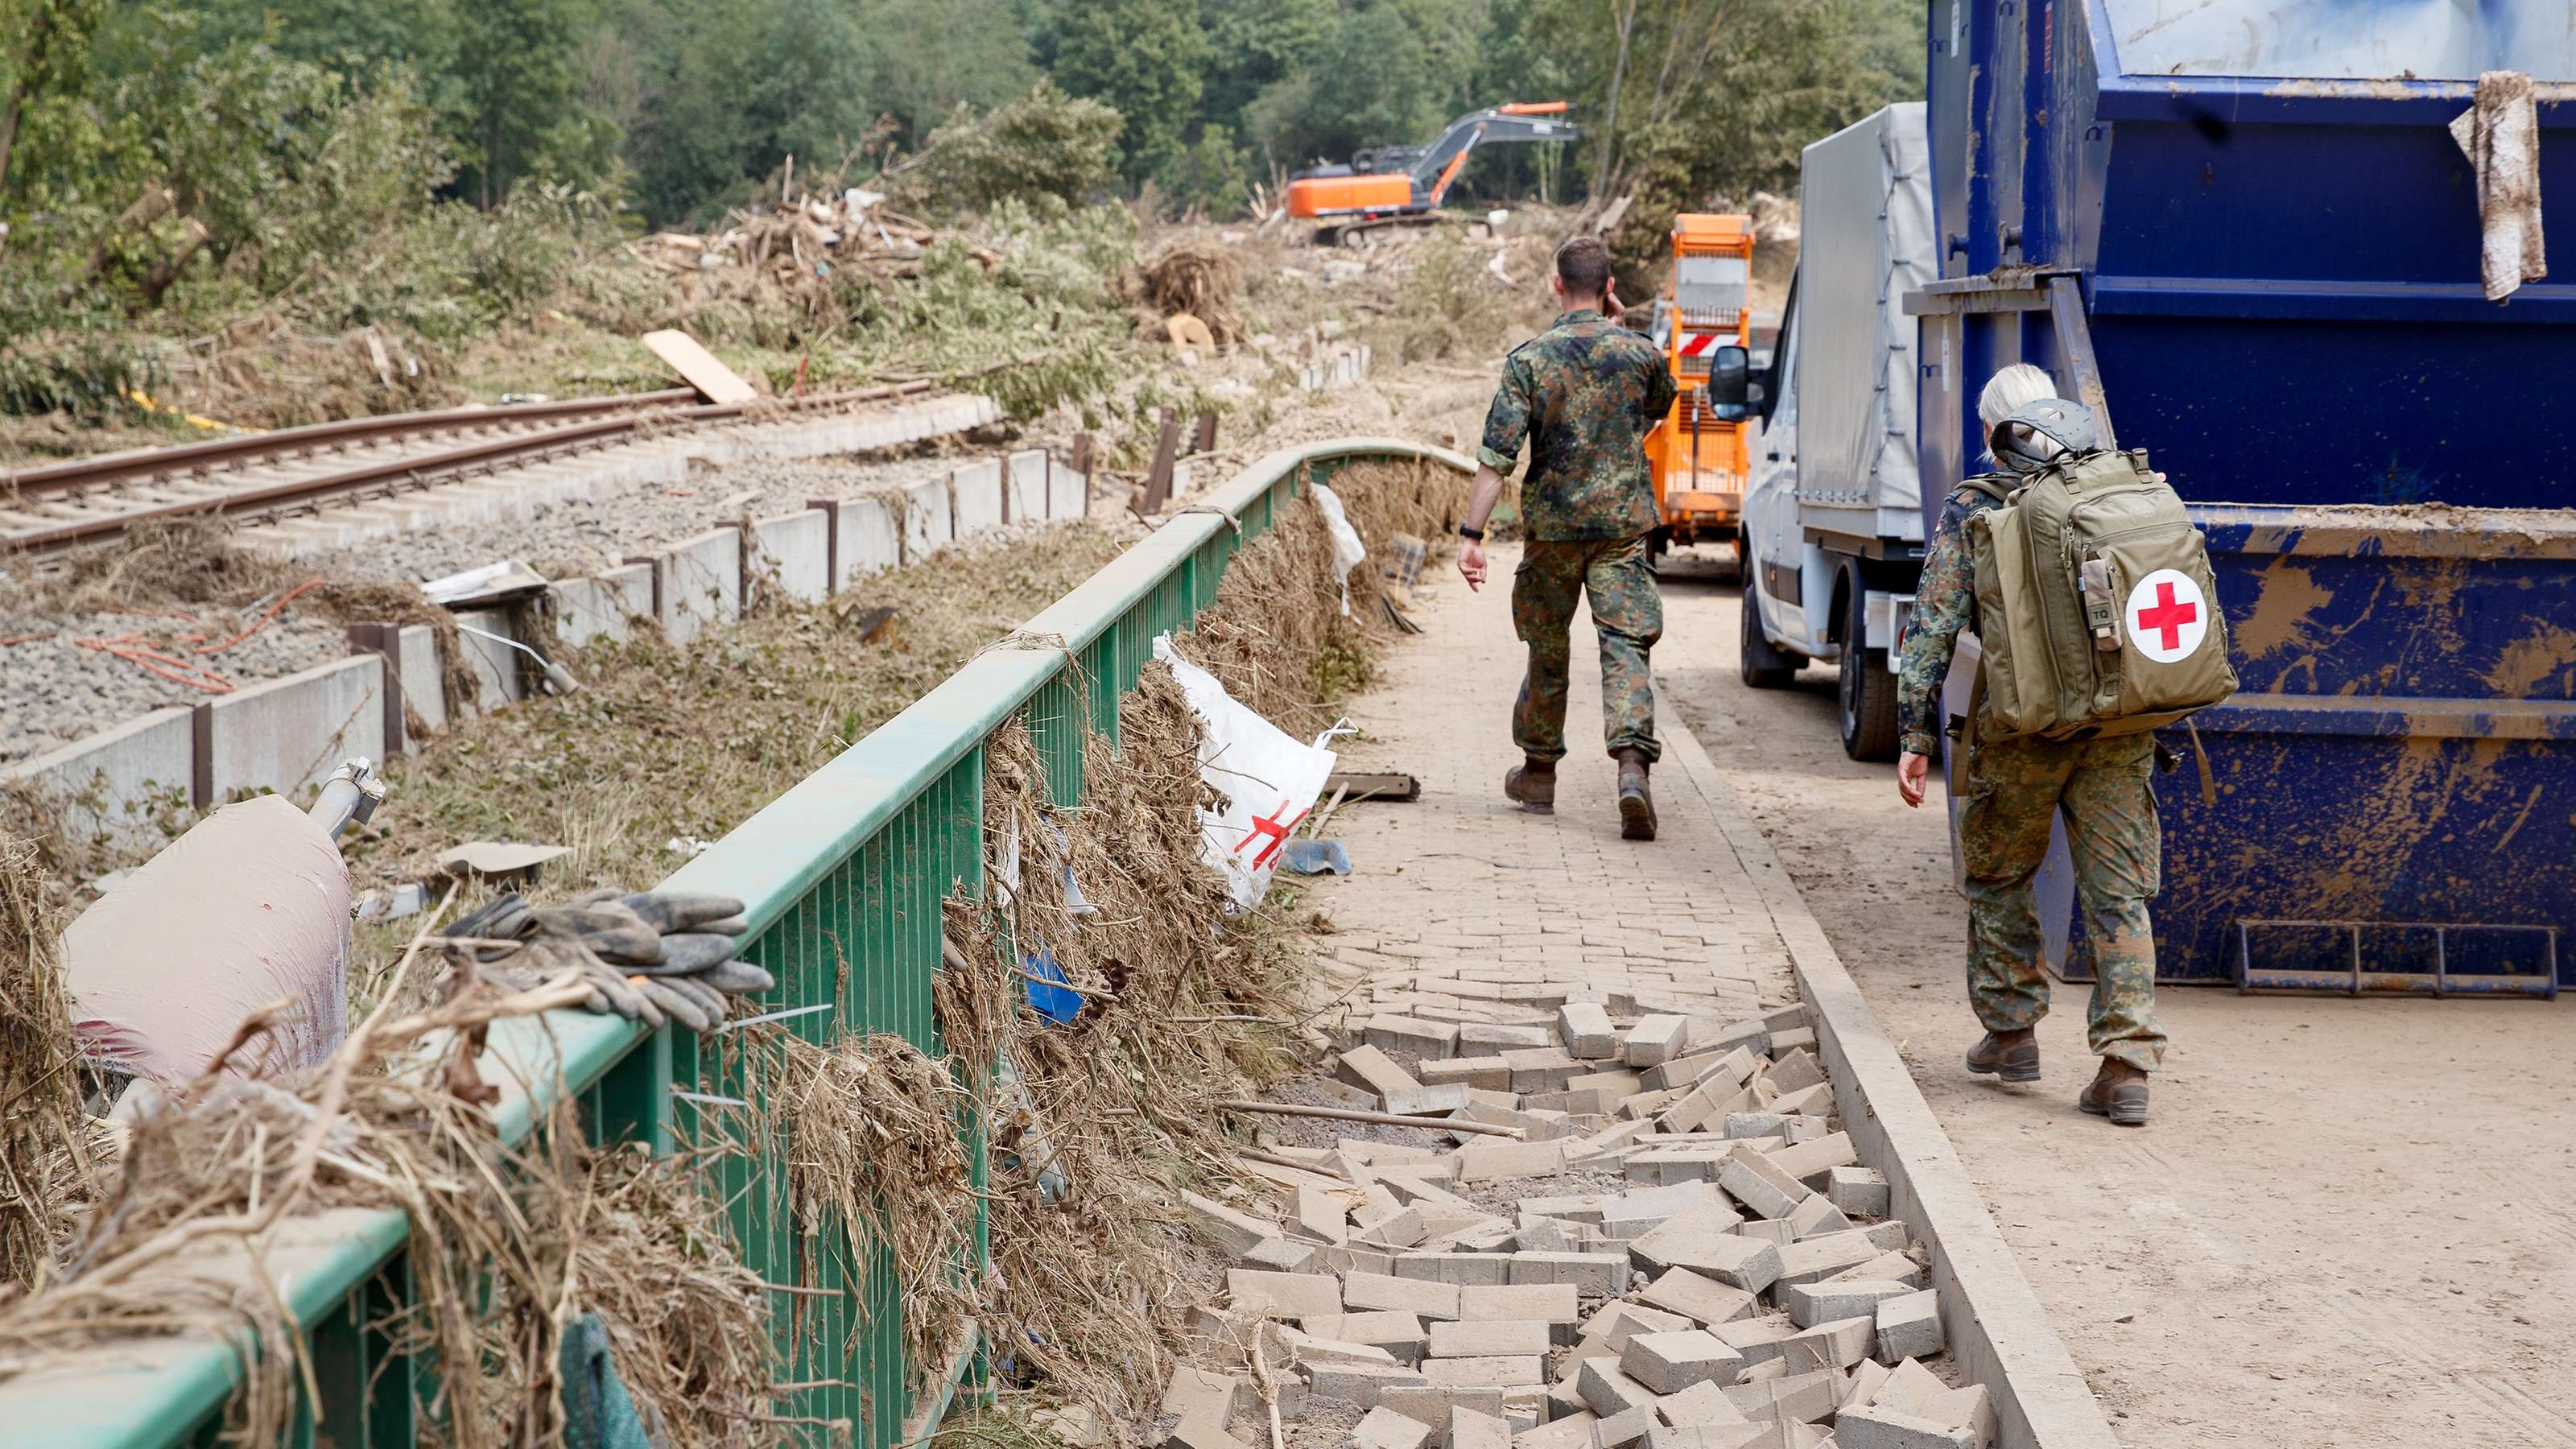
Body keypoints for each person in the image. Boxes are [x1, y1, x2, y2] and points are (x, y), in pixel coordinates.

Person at [1893, 362, 2165, 1127]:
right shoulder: (2121, 491)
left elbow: (1933, 626)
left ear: (1991, 434)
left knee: (2001, 872)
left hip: (2024, 728)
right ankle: (2126, 1063)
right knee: (2118, 889)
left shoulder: (1977, 506)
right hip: (2119, 726)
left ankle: (2012, 1035)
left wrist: (1916, 733)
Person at [1455, 234, 1679, 840]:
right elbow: (1657, 407)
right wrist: (1624, 330)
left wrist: (1471, 535)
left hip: (1552, 533)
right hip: (1622, 531)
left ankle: (1539, 774)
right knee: (1625, 647)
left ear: (1557, 285)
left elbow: (1495, 458)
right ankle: (1632, 771)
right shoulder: (1641, 354)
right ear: (1609, 288)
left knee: (1547, 648)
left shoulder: (1530, 360)